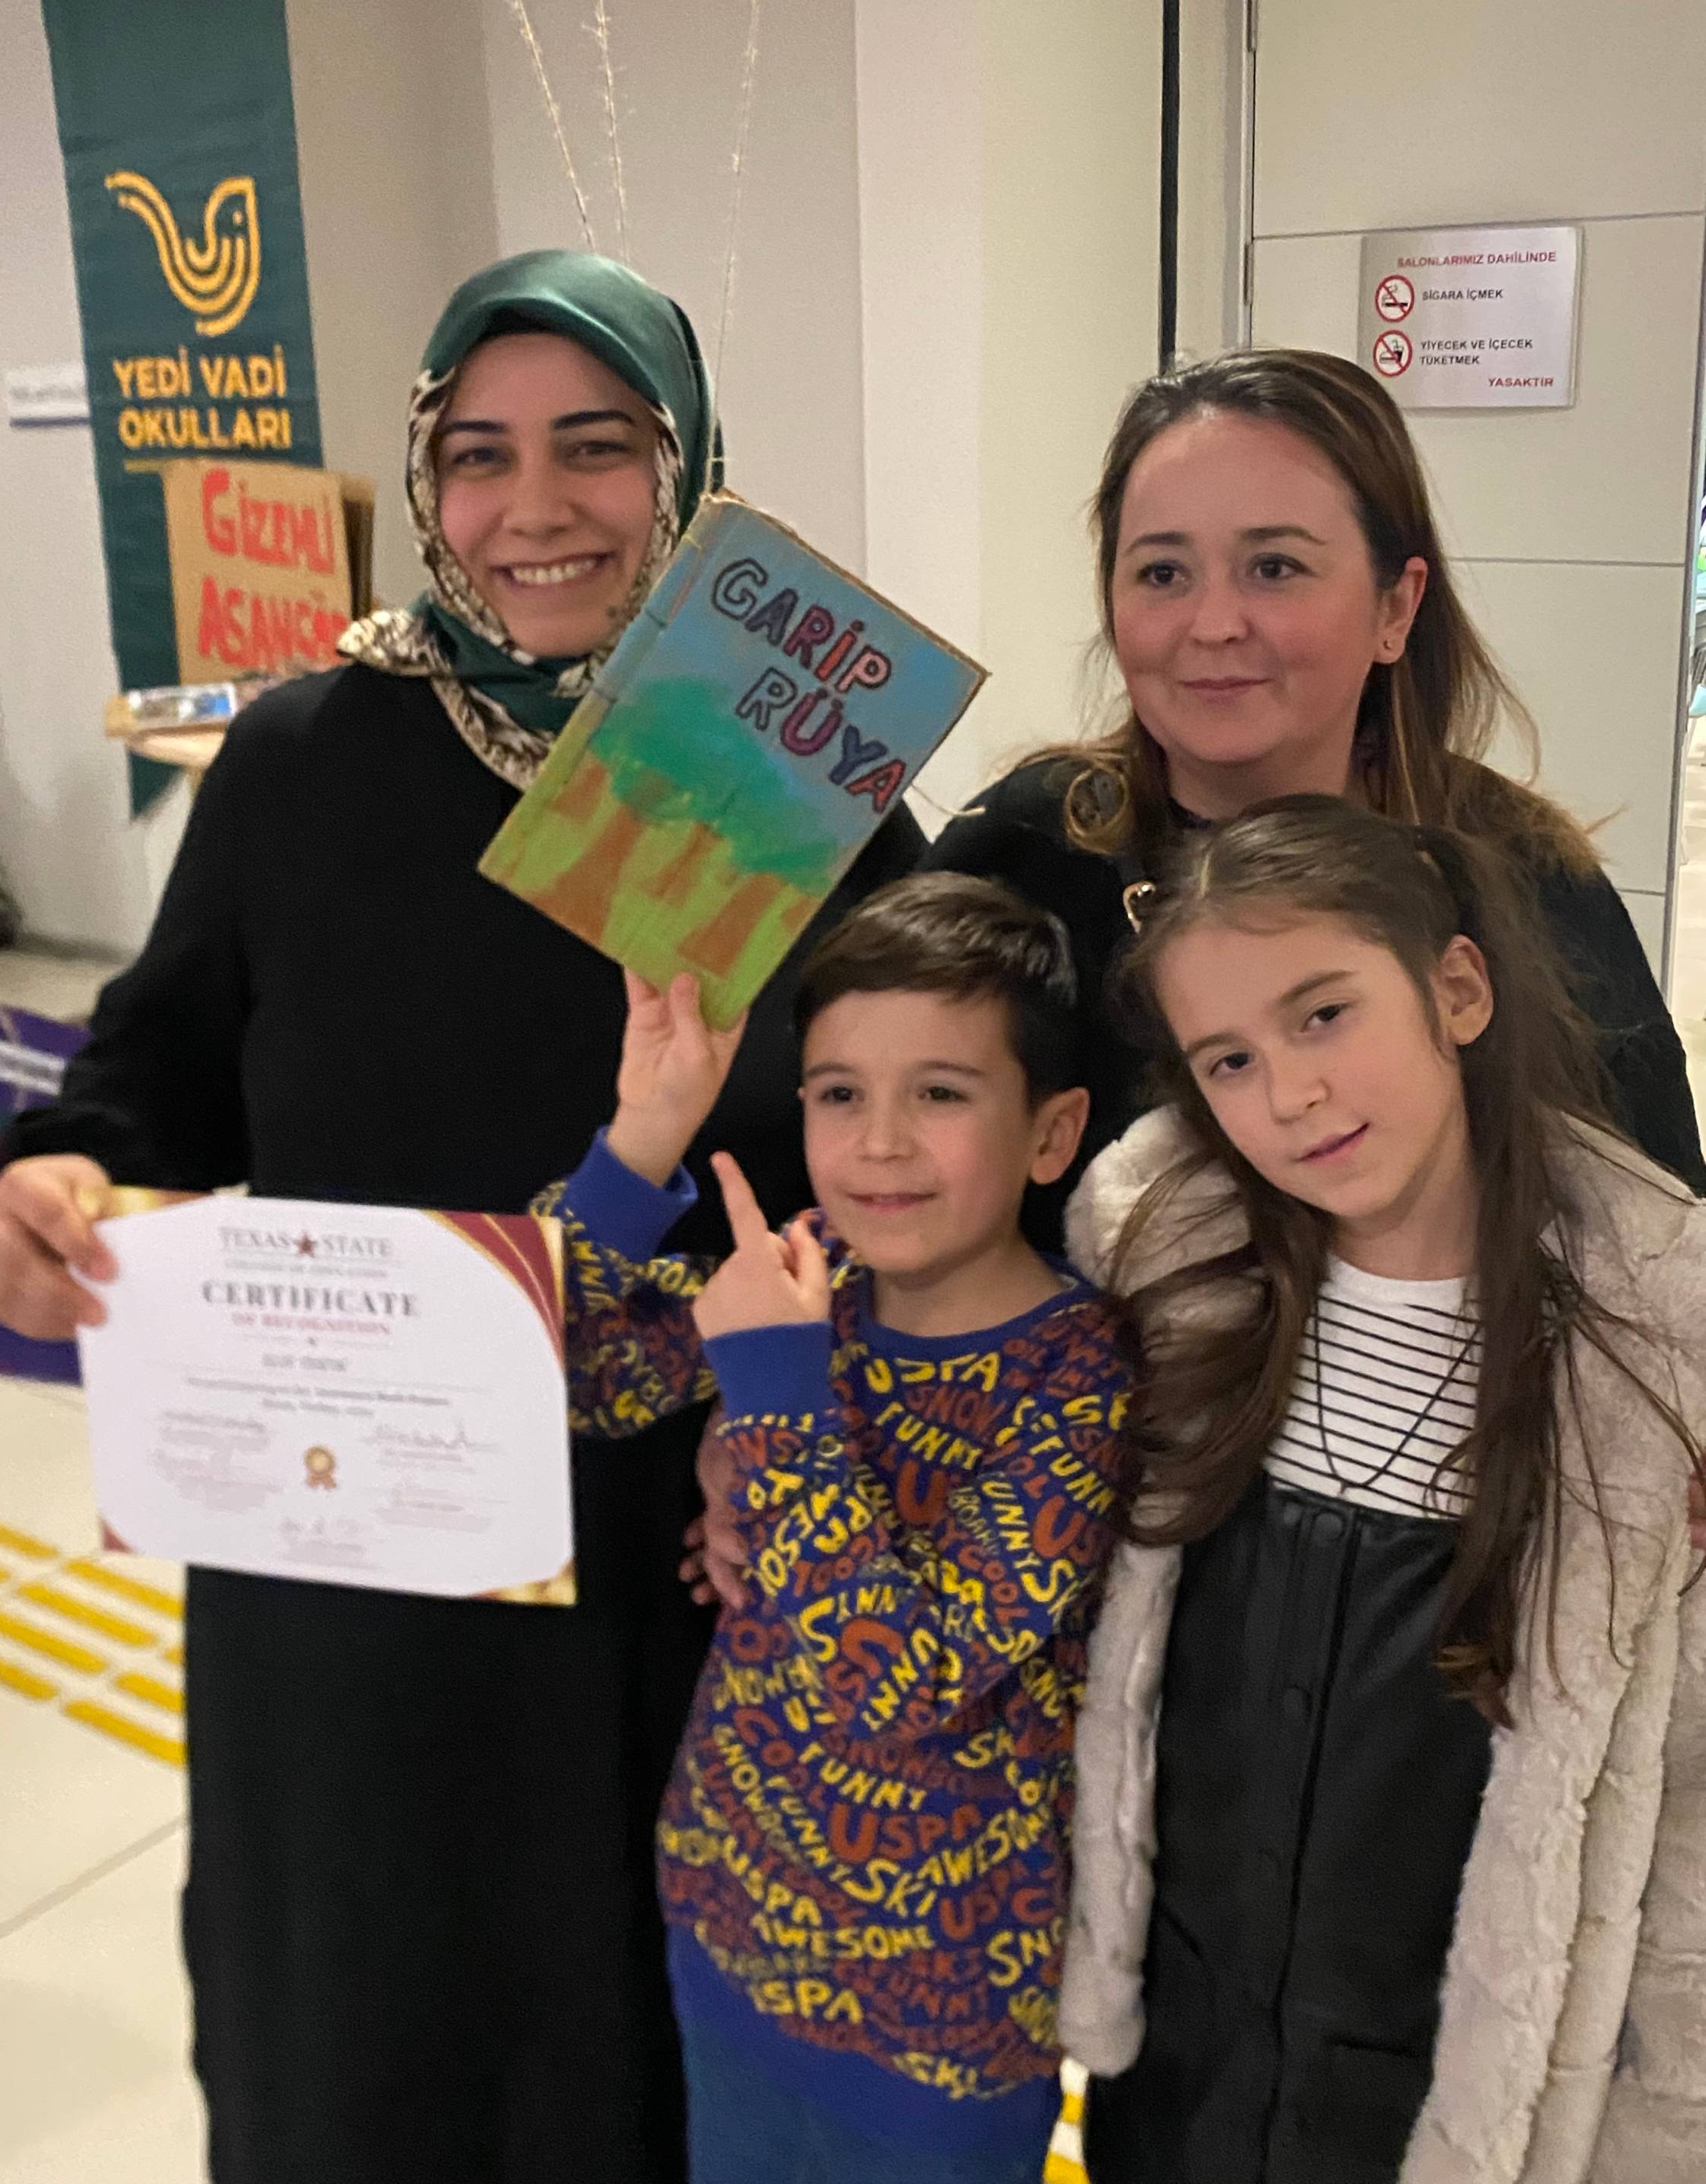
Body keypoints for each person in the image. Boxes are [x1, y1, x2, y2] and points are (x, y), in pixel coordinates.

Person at [0, 250, 923, 2184]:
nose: (534, 508)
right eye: (478, 456)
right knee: (354, 1997)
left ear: (689, 472)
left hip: (663, 1535)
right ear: (426, 482)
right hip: (347, 1537)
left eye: (597, 446)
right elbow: (159, 1060)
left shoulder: (777, 767)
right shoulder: (310, 753)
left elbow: (909, 1144)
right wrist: (59, 1168)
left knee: (624, 2015)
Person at [1058, 794, 1706, 2181]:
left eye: (1323, 1013)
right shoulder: (1156, 1258)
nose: (1286, 1091)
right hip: (1180, 2066)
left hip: (1447, 2100)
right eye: (1225, 1057)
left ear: (1454, 987)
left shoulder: (1657, 1332)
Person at [537, 872, 1129, 2184]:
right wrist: (645, 1137)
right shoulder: (811, 1279)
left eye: (941, 1090)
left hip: (944, 2019)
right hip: (724, 1924)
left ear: (1051, 1129)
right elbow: (545, 1366)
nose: (878, 1142)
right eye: (838, 1092)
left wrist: (774, 1401)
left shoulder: (1077, 1374)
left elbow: (896, 1678)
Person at [928, 347, 1705, 1221]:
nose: (1213, 624)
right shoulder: (1028, 850)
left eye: (1274, 568)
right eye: (1162, 574)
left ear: (1395, 608)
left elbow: (1658, 1241)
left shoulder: (1526, 879)